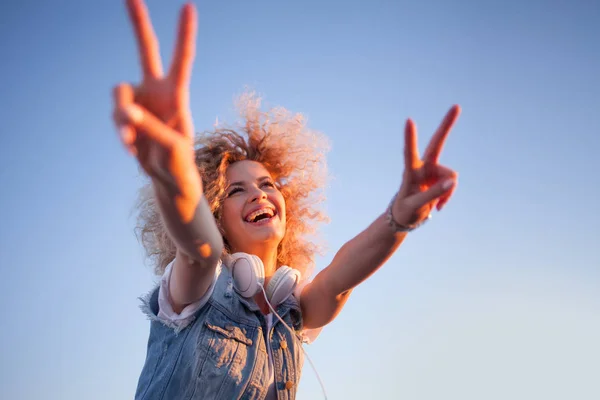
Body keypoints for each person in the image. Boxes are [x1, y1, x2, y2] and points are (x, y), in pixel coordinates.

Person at [112, 0, 460, 399]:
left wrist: (400, 217)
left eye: (267, 184)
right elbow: (198, 249)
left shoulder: (292, 311)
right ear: (215, 213)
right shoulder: (194, 289)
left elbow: (340, 280)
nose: (258, 194)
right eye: (235, 190)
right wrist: (173, 172)